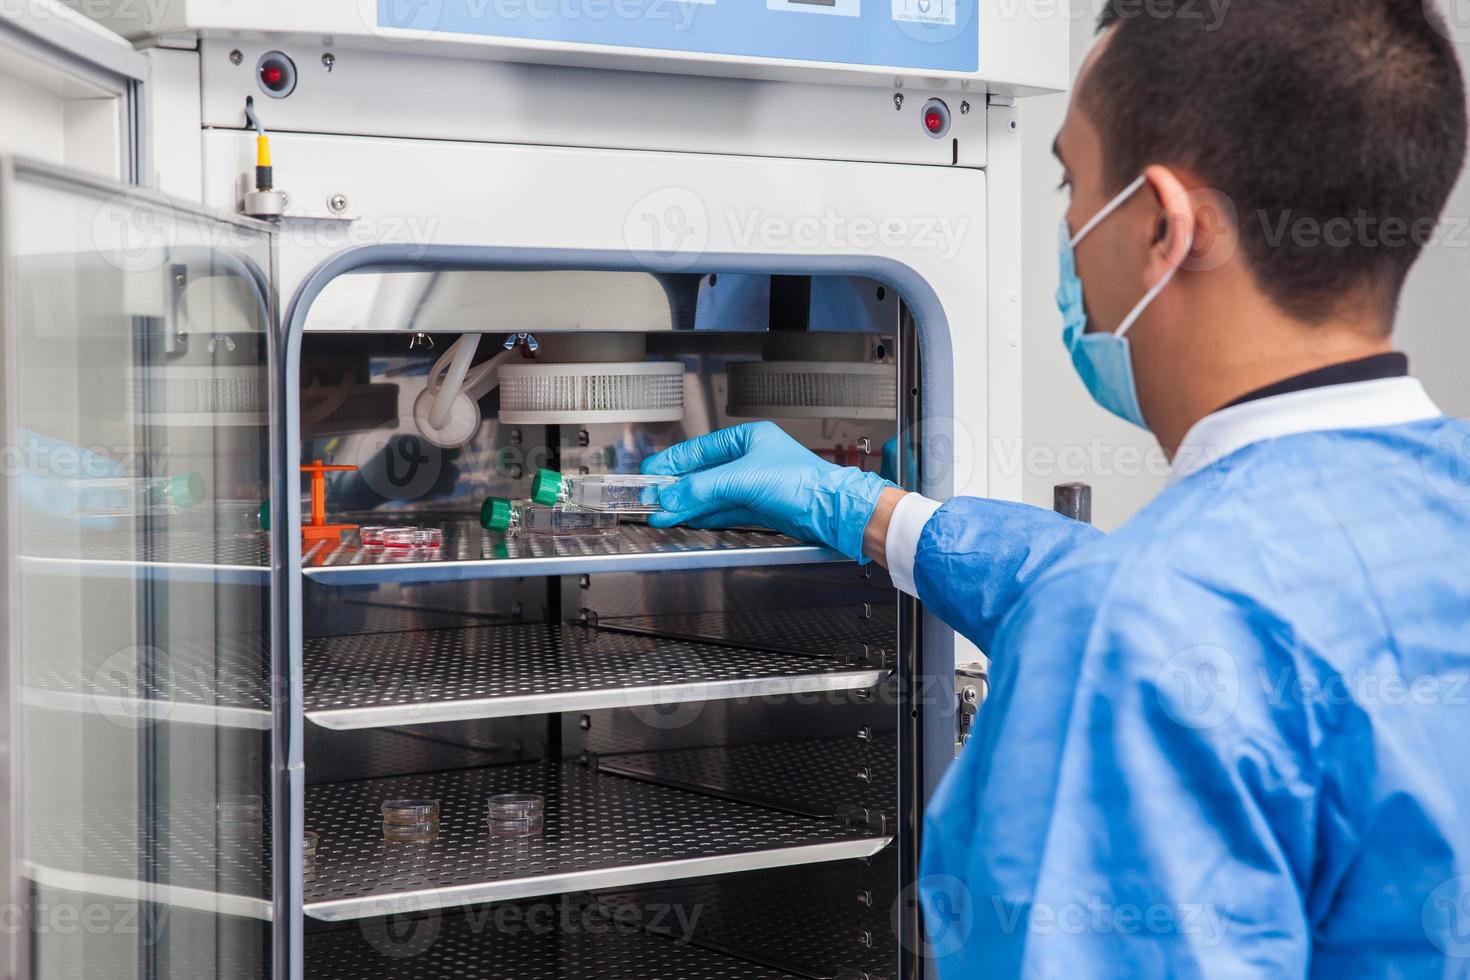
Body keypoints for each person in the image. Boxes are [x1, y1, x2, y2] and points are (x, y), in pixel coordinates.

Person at [640, 0, 1470, 974]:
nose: (1072, 228)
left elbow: (1147, 616)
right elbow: (1185, 602)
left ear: (1163, 224)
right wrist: (867, 509)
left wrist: (1099, 615)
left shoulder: (1133, 630)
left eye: (1075, 182)